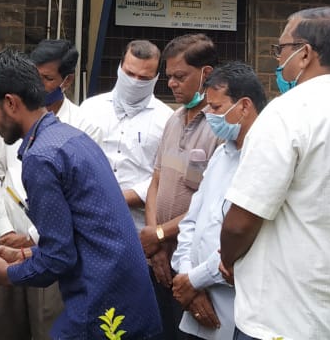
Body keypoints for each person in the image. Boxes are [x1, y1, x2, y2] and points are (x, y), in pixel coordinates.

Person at [220, 7, 330, 340]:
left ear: (304, 54)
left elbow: (240, 222)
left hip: (283, 321)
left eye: (281, 49)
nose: (278, 59)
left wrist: (228, 259)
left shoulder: (285, 114)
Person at [0, 49, 161, 340]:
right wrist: (23, 254)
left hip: (102, 307)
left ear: (11, 103)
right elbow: (76, 236)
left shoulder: (41, 156)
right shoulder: (70, 137)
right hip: (127, 299)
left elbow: (59, 257)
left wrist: (6, 274)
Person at [0, 39, 103, 340]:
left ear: (66, 81)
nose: (37, 84)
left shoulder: (81, 127)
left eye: (46, 78)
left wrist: (33, 238)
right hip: (6, 244)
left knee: (47, 328)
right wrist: (5, 229)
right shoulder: (9, 118)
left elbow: (77, 203)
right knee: (6, 328)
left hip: (49, 253)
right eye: (34, 75)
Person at [170, 62, 268, 340]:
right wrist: (187, 279)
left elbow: (245, 239)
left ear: (244, 106)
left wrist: (193, 281)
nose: (209, 116)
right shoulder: (221, 154)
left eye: (215, 108)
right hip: (195, 302)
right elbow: (191, 221)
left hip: (236, 309)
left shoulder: (264, 160)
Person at [143, 34, 221, 339]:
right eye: (169, 76)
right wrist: (155, 241)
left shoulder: (220, 126)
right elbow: (156, 181)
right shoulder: (173, 120)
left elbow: (212, 206)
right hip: (160, 258)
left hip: (194, 265)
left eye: (180, 76)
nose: (172, 84)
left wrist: (160, 234)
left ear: (206, 74)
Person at [79, 40, 172, 229]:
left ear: (155, 78)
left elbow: (166, 175)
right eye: (129, 74)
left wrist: (123, 197)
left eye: (144, 78)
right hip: (88, 217)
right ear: (120, 68)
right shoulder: (89, 109)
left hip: (137, 224)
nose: (135, 82)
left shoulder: (167, 119)